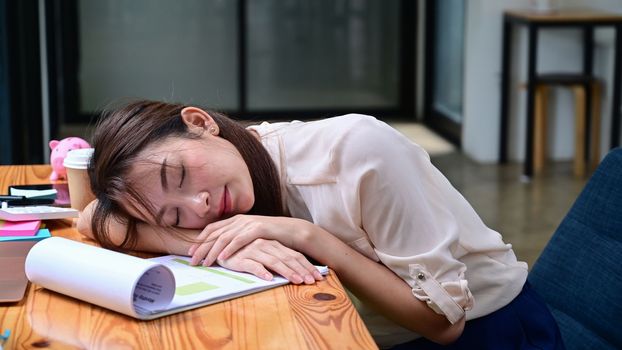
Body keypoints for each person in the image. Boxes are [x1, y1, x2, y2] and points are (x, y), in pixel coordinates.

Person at [77, 99, 564, 349]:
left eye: (180, 174)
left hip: (494, 333)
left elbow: (444, 325)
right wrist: (199, 243)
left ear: (200, 121)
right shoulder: (229, 183)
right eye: (176, 215)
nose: (200, 204)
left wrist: (309, 237)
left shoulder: (356, 150)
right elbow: (91, 219)